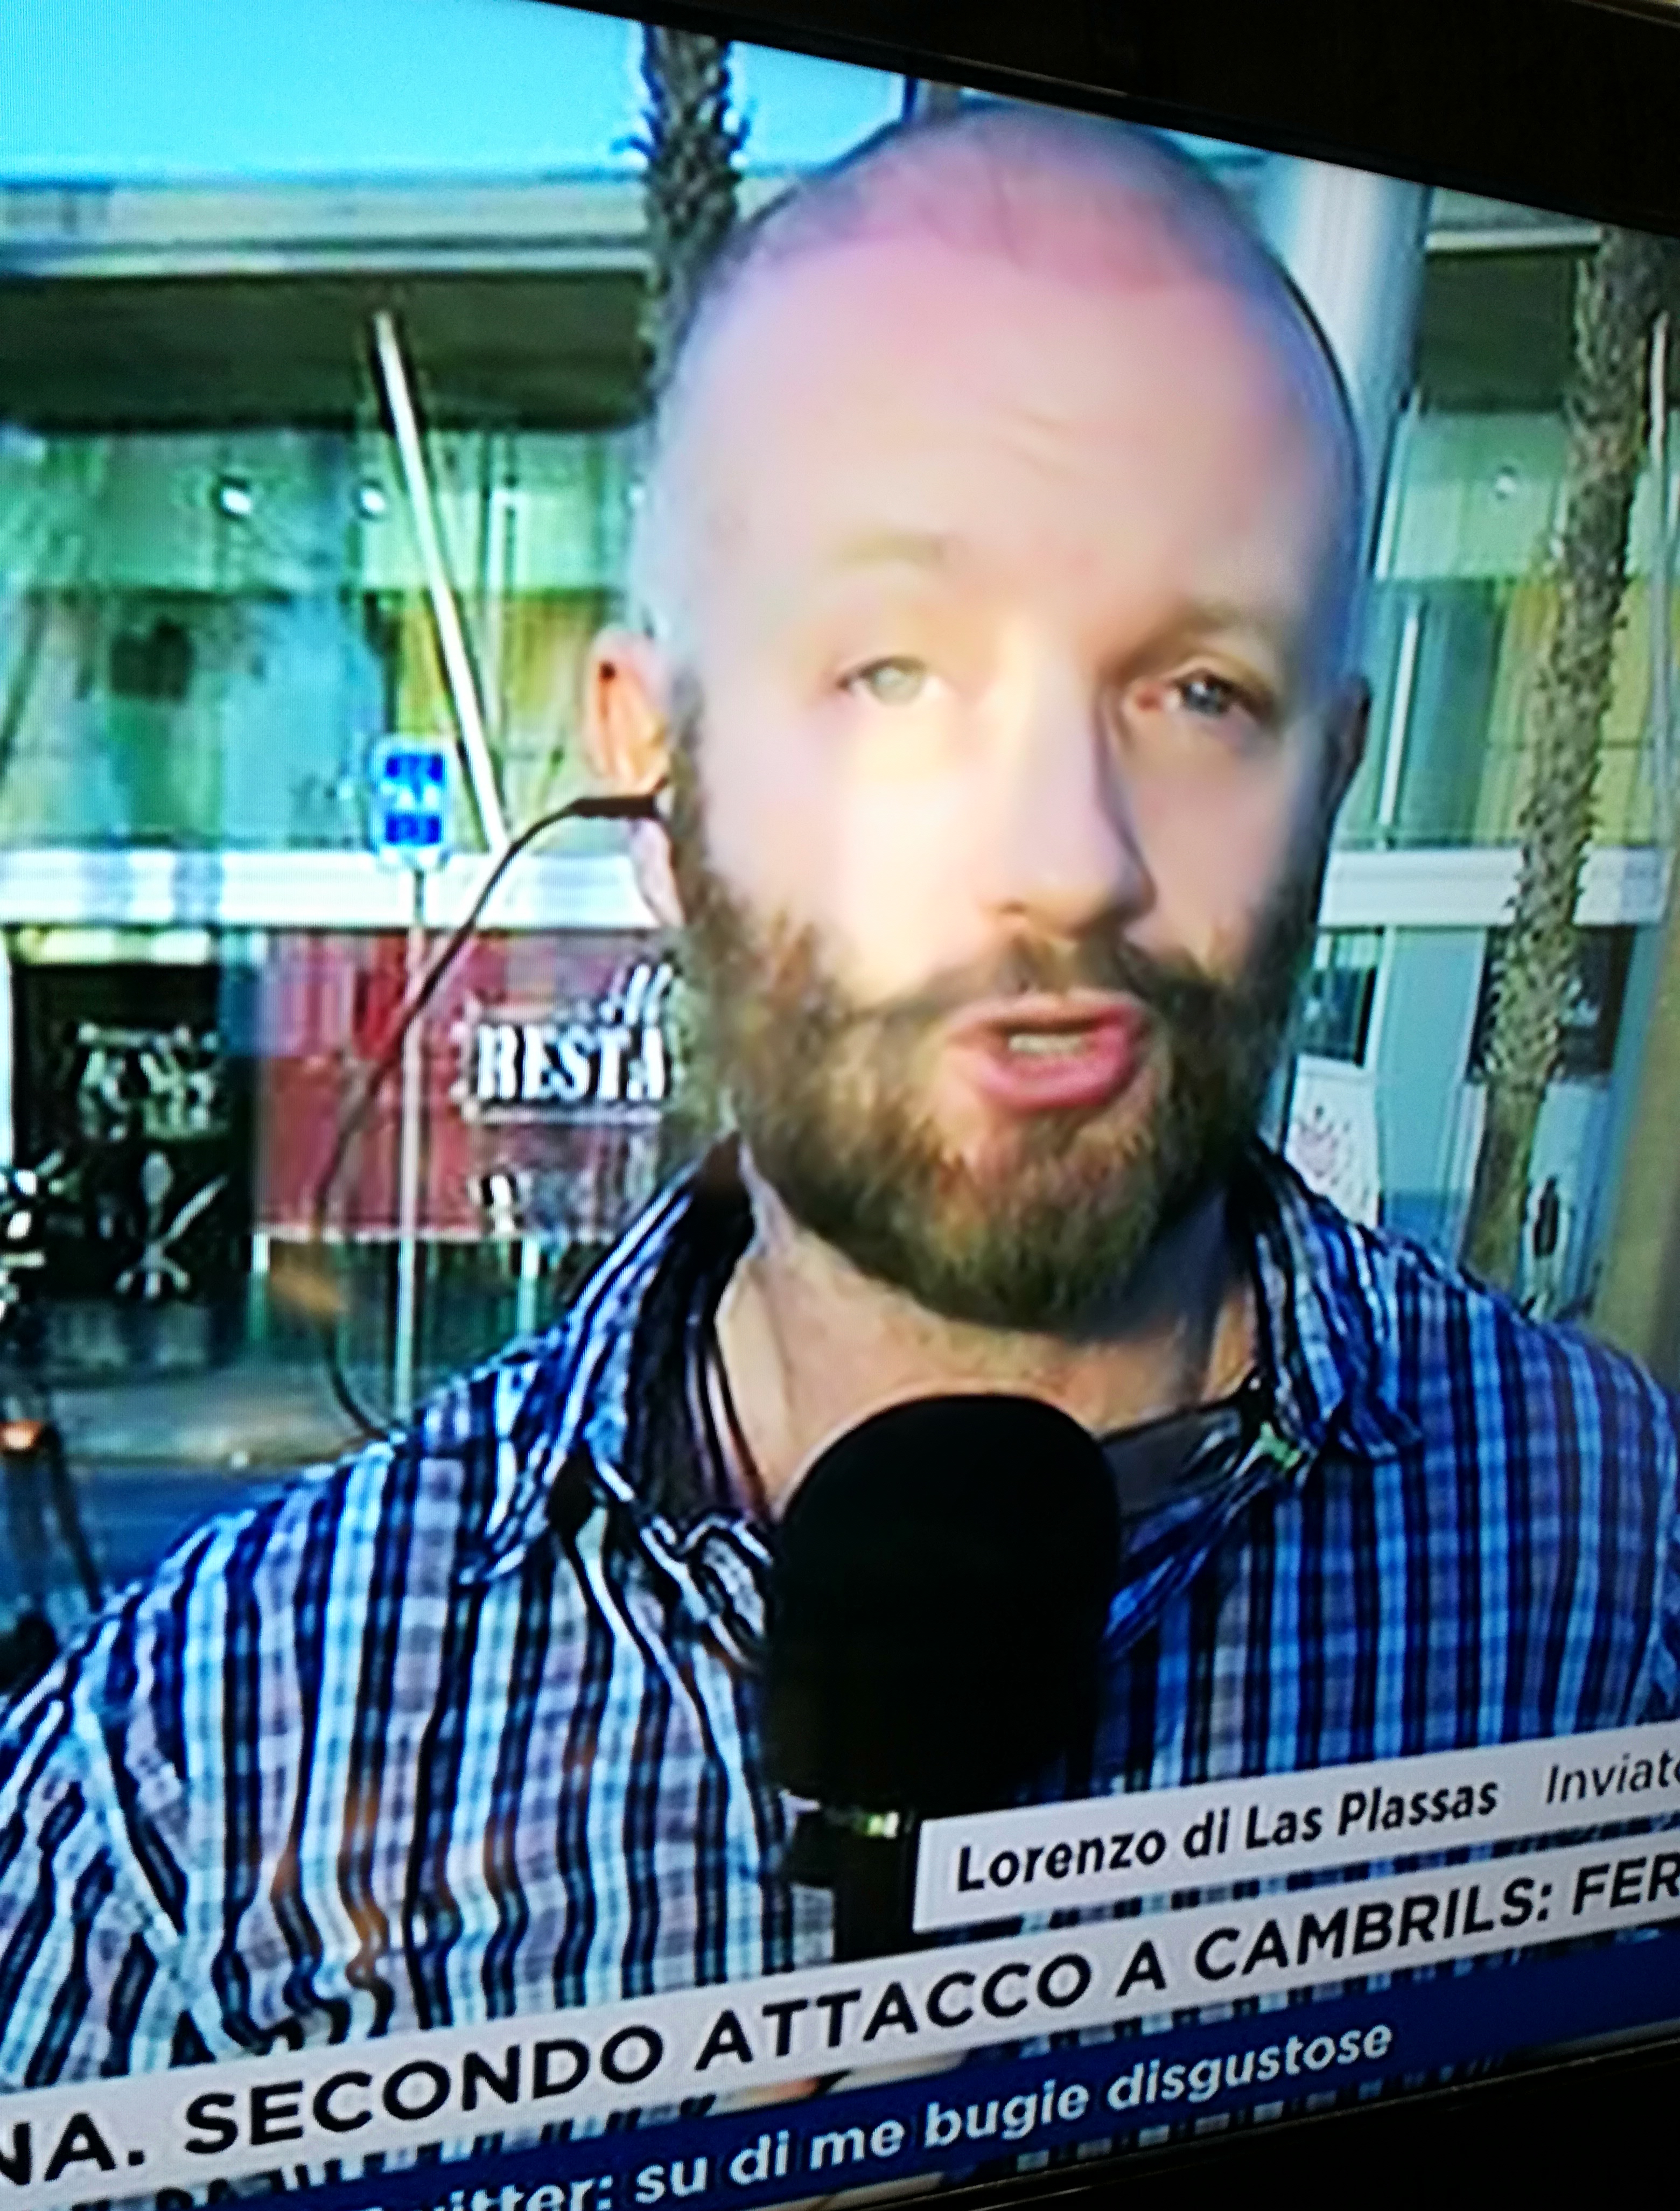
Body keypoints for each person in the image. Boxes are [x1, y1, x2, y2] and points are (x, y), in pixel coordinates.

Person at [1, 102, 1676, 2084]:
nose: (1066, 857)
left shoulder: (1616, 1556)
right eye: (895, 673)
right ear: (658, 767)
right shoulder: (209, 1777)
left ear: (1331, 776)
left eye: (1200, 693)